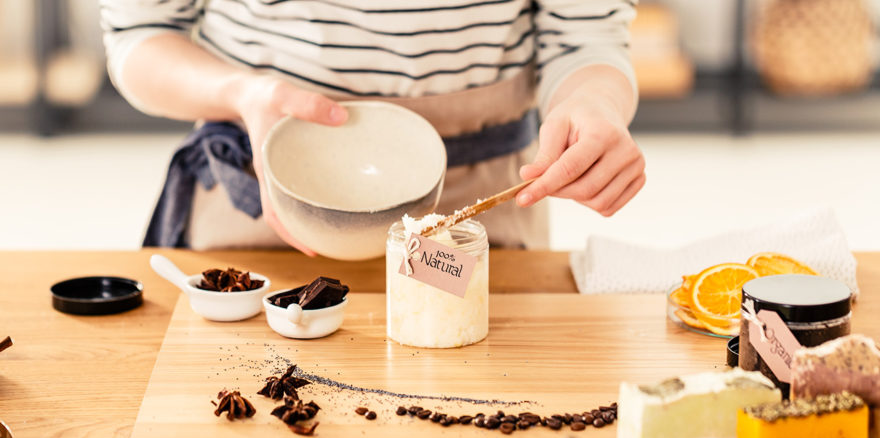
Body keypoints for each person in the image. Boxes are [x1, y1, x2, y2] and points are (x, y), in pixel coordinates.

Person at [100, 0, 645, 253]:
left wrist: (595, 102)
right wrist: (242, 94)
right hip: (259, 196)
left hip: (476, 208)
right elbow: (139, 33)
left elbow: (585, 37)